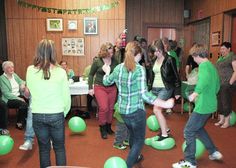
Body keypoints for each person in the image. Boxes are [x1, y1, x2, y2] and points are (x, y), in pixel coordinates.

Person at [103, 41, 175, 168]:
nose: (142, 57)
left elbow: (107, 82)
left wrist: (107, 71)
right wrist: (165, 104)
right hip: (136, 112)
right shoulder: (139, 69)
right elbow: (145, 95)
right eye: (141, 55)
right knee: (138, 141)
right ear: (137, 55)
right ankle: (129, 164)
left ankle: (135, 157)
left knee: (132, 134)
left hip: (123, 111)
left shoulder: (118, 68)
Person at [172, 44, 223, 168]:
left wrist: (195, 94)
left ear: (198, 55)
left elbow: (203, 81)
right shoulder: (212, 65)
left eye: (194, 57)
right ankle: (213, 151)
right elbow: (217, 86)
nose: (194, 60)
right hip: (210, 104)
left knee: (188, 130)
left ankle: (190, 161)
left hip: (203, 106)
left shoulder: (204, 66)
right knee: (198, 129)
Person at [26, 39, 71, 168]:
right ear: (53, 52)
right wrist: (63, 113)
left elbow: (31, 91)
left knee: (44, 149)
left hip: (38, 115)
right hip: (56, 114)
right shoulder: (61, 72)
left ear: (38, 52)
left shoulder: (30, 70)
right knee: (59, 148)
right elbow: (66, 99)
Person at [150, 40, 181, 141]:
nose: (156, 53)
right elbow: (152, 75)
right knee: (157, 111)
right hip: (154, 88)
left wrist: (177, 91)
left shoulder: (170, 59)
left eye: (158, 51)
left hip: (166, 88)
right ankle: (166, 129)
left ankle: (164, 134)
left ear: (162, 49)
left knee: (156, 109)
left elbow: (176, 76)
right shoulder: (153, 60)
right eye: (154, 51)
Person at [88, 42, 118, 139]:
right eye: (109, 53)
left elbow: (117, 74)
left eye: (112, 53)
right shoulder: (98, 61)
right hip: (100, 86)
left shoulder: (115, 61)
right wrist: (90, 88)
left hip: (112, 87)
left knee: (110, 108)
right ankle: (102, 128)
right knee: (104, 107)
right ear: (104, 52)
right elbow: (91, 74)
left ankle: (108, 126)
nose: (111, 55)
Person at [0, 61, 28, 130]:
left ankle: (26, 120)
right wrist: (18, 98)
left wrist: (22, 84)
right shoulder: (1, 78)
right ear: (4, 69)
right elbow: (6, 94)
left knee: (29, 100)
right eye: (9, 67)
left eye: (12, 67)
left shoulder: (14, 75)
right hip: (9, 99)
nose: (11, 69)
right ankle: (19, 123)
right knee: (23, 104)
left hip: (18, 95)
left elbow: (22, 81)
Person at [215, 42, 236, 128]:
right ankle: (221, 120)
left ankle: (227, 122)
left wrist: (230, 82)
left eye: (223, 49)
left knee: (226, 102)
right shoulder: (220, 59)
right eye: (221, 49)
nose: (221, 51)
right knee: (220, 102)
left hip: (227, 84)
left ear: (229, 49)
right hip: (220, 84)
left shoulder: (232, 57)